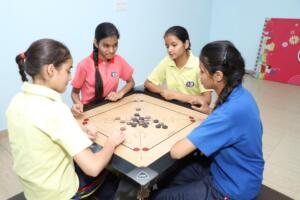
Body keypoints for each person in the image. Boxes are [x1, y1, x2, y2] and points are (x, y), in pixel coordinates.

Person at [6, 39, 125, 200]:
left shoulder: (16, 101)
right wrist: (111, 142)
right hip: (60, 194)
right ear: (50, 70)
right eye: (68, 71)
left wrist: (79, 131)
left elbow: (44, 135)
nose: (70, 78)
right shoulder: (54, 110)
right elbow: (93, 168)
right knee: (114, 173)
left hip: (34, 191)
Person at [151, 41, 264, 200]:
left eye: (202, 71)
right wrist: (210, 112)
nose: (199, 75)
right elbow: (232, 125)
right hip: (226, 168)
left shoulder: (228, 113)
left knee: (161, 197)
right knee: (167, 178)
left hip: (233, 187)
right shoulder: (241, 95)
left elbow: (176, 152)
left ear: (218, 75)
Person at [71, 22, 135, 116]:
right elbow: (74, 93)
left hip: (111, 108)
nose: (112, 50)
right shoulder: (84, 65)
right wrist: (78, 103)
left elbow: (131, 82)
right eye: (106, 46)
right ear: (96, 43)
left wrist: (120, 93)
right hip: (89, 110)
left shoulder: (119, 60)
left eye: (115, 45)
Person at [144, 26, 211, 110]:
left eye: (174, 45)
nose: (169, 50)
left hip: (194, 109)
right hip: (173, 107)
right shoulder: (167, 61)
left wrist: (175, 95)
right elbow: (148, 83)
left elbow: (207, 100)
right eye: (167, 46)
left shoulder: (199, 65)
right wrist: (163, 91)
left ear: (186, 44)